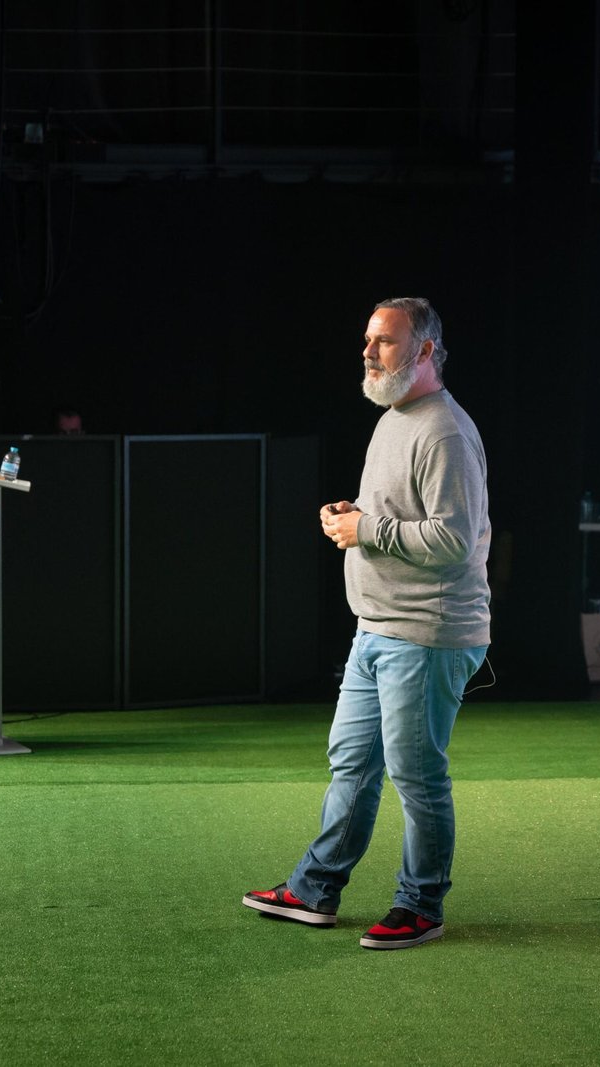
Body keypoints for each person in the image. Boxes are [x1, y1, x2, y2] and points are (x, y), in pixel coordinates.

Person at [243, 296, 492, 950]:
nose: (368, 351)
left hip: (426, 633)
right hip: (377, 628)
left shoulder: (442, 429)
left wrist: (368, 529)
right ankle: (314, 888)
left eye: (384, 340)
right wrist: (355, 517)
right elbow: (398, 516)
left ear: (426, 350)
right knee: (351, 762)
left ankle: (422, 905)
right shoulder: (394, 418)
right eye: (368, 339)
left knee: (416, 774)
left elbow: (456, 540)